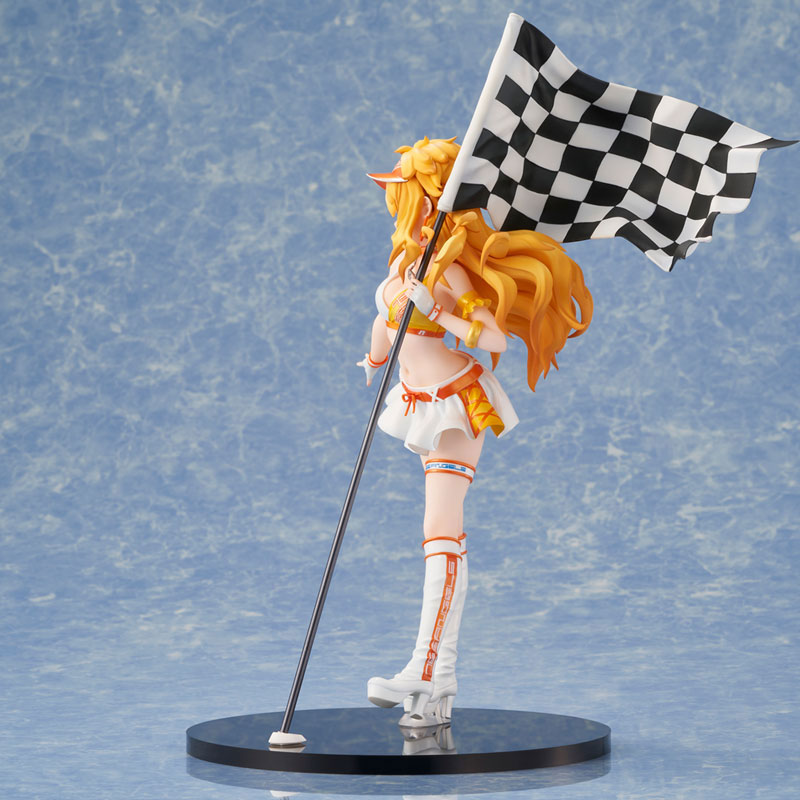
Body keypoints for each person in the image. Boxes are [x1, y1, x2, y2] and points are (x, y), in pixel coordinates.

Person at [358, 136, 593, 724]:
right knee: (446, 537)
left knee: (439, 531)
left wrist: (436, 308)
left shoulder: (451, 273)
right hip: (417, 402)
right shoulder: (403, 265)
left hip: (457, 406)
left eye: (408, 195)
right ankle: (439, 683)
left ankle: (425, 665)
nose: (401, 206)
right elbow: (385, 323)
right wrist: (373, 358)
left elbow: (492, 339)